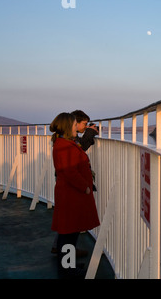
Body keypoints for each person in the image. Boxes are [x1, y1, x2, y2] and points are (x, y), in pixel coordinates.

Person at [50, 112, 100, 278]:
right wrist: (85, 187)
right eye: (74, 125)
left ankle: (69, 264)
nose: (76, 129)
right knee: (68, 234)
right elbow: (68, 171)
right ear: (66, 126)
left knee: (71, 232)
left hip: (71, 194)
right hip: (71, 194)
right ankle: (67, 271)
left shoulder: (64, 143)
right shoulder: (63, 146)